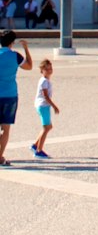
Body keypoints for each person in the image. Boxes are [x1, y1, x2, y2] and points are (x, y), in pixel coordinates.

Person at [0, 30, 32, 165]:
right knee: (5, 129)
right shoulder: (15, 56)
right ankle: (0, 156)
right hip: (9, 95)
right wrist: (26, 48)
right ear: (12, 43)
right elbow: (29, 66)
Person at [31, 58, 58, 159]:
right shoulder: (44, 82)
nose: (49, 70)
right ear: (42, 70)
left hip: (43, 105)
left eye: (50, 68)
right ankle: (39, 150)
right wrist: (54, 106)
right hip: (43, 105)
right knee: (46, 127)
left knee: (48, 126)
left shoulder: (45, 80)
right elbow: (45, 96)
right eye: (47, 69)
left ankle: (35, 145)